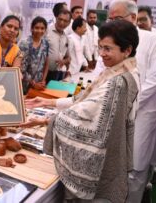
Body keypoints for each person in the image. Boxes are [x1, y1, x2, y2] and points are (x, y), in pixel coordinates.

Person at [24, 20, 140, 202]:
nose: (101, 54)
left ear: (127, 50)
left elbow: (85, 115)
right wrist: (47, 102)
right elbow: (85, 100)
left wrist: (47, 120)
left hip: (101, 165)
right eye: (100, 47)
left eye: (108, 49)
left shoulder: (119, 81)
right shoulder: (126, 70)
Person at [102, 0, 156, 203]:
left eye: (116, 18)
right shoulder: (112, 41)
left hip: (142, 114)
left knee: (135, 169)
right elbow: (103, 75)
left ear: (133, 17)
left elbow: (153, 80)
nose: (111, 22)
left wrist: (127, 102)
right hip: (114, 113)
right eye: (109, 19)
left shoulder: (151, 40)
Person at [19, 16, 49, 94]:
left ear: (45, 30)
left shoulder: (45, 43)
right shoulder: (24, 44)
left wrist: (43, 80)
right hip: (24, 84)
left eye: (42, 28)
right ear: (31, 28)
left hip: (39, 85)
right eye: (37, 28)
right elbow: (21, 69)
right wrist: (33, 84)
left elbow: (46, 63)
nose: (39, 30)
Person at [46, 9, 71, 82]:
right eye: (60, 19)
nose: (62, 22)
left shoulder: (66, 37)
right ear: (56, 18)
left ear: (69, 23)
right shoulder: (46, 32)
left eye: (65, 21)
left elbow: (68, 57)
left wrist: (64, 61)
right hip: (43, 73)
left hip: (57, 73)